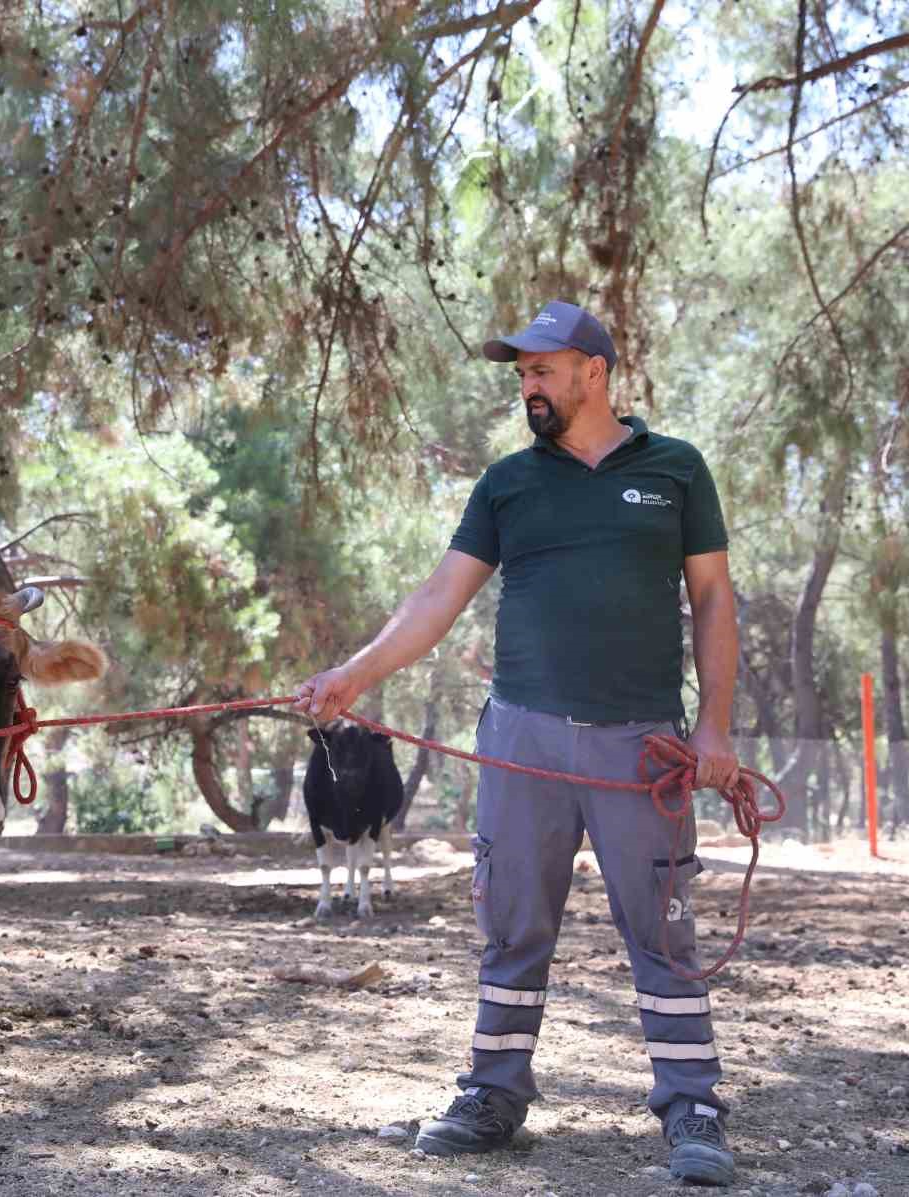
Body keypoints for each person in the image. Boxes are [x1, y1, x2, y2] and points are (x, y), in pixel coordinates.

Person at [294, 300, 742, 1187]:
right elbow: (436, 599)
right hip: (521, 739)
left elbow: (715, 600)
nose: (528, 386)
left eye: (542, 369)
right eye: (521, 373)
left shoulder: (677, 471)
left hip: (641, 745)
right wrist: (353, 676)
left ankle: (691, 1103)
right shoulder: (507, 482)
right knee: (511, 924)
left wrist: (717, 723)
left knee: (661, 924)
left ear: (594, 371)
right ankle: (494, 1093)